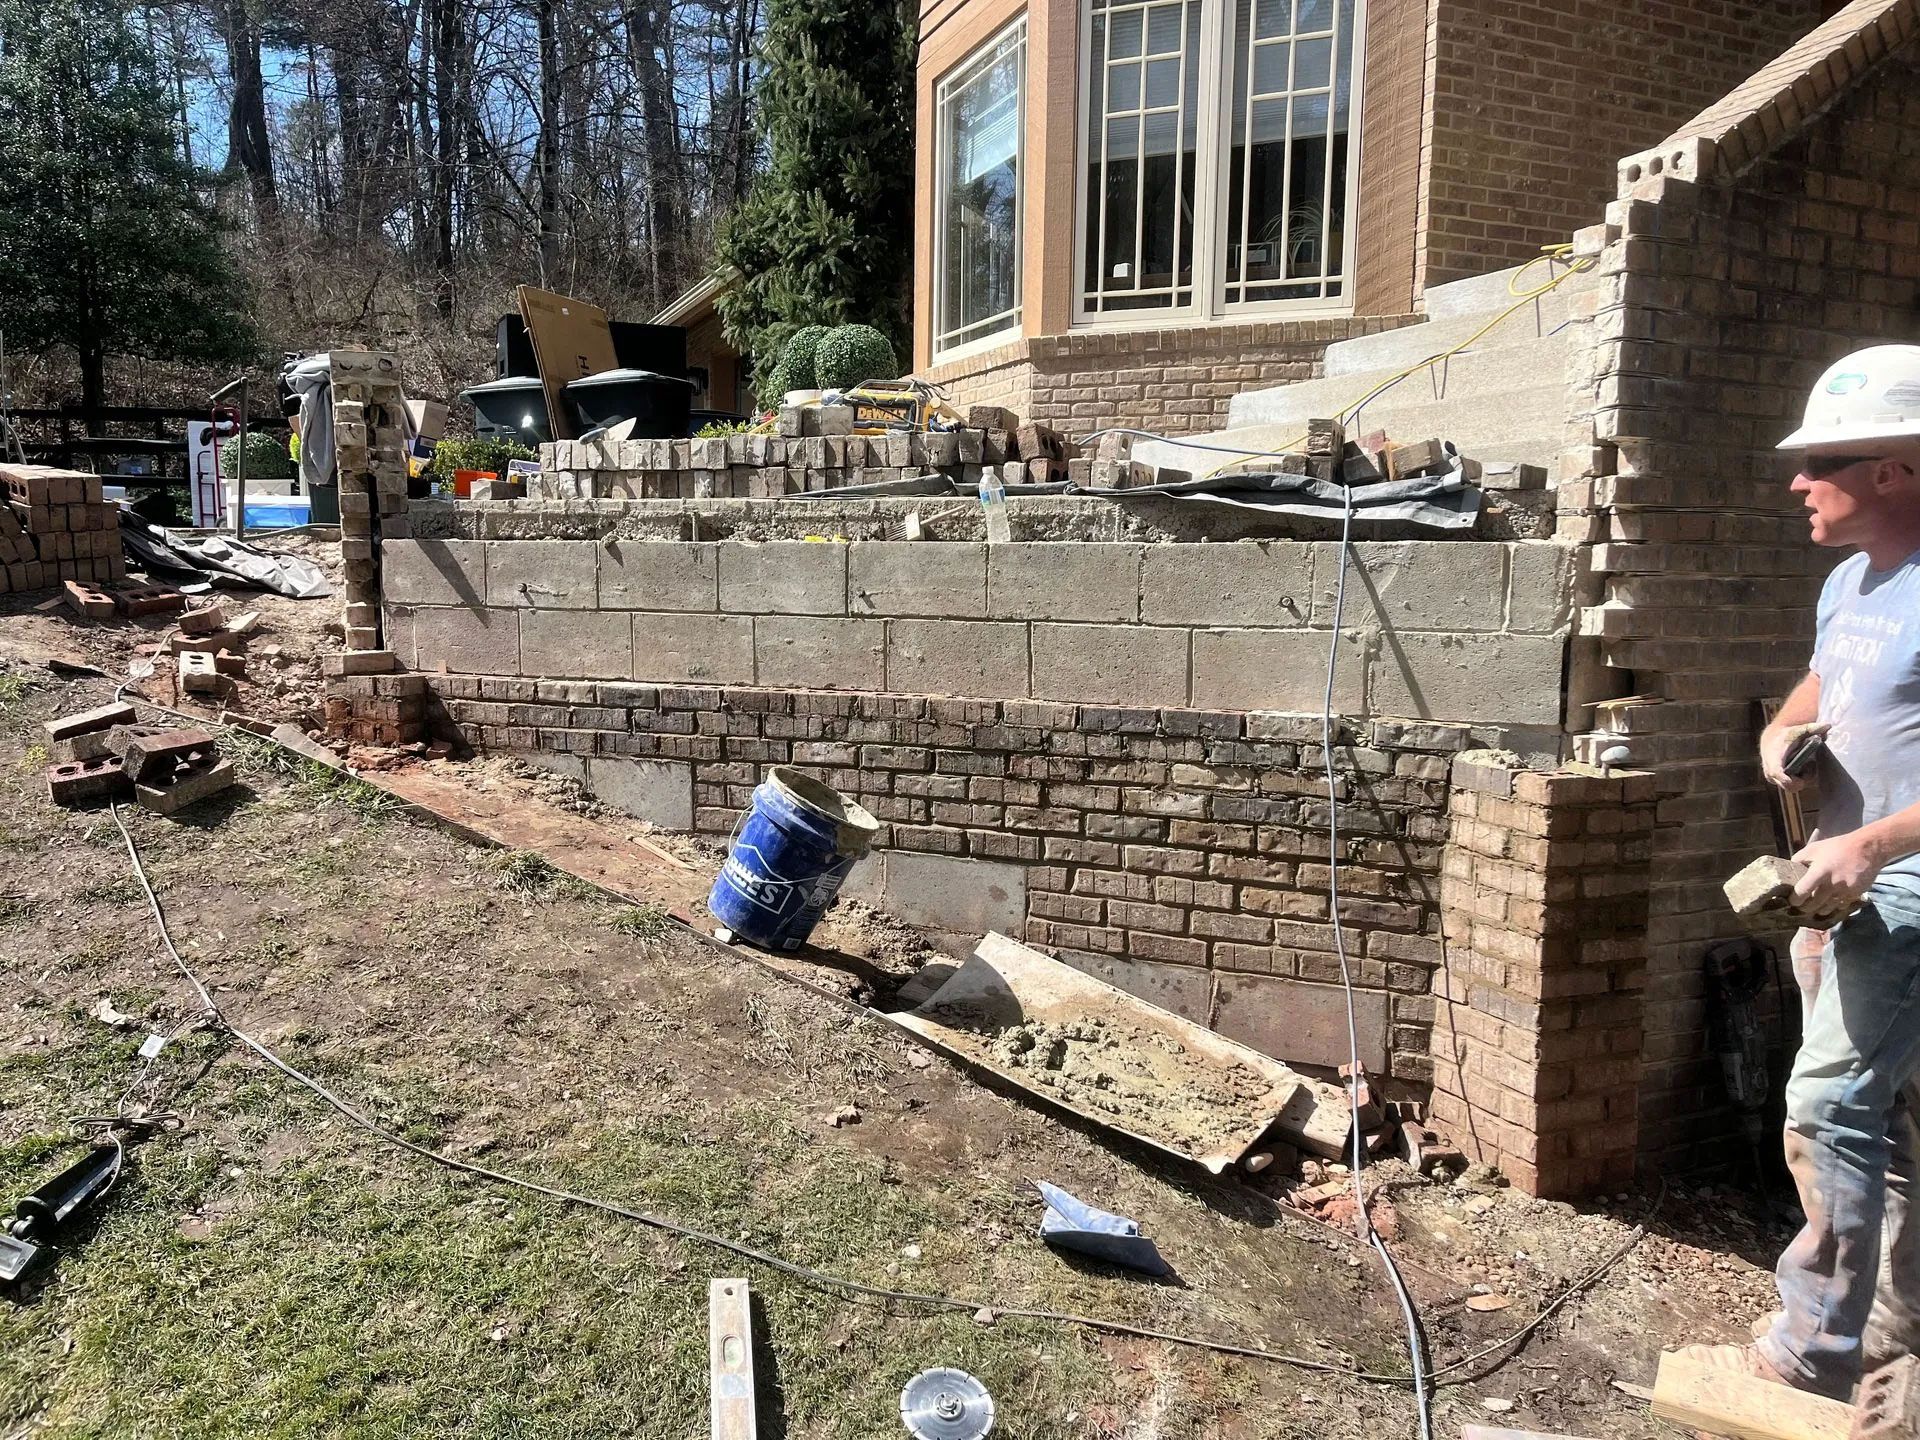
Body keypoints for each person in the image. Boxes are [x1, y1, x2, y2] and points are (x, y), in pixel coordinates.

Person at [1742, 345, 1920, 1400]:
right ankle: (1895, 1346)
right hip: (1839, 897)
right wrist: (1780, 738)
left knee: (1826, 1108)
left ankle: (1811, 1349)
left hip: (1902, 896)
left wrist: (1873, 842)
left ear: (1895, 470)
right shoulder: (1850, 582)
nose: (1798, 481)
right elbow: (1811, 695)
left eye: (1823, 462)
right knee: (1886, 1130)